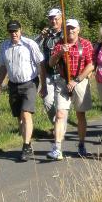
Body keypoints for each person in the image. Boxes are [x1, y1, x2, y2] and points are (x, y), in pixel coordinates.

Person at [0, 20, 45, 162]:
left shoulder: (30, 44)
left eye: (16, 31)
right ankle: (26, 142)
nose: (14, 34)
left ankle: (26, 146)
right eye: (11, 31)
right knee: (19, 117)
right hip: (13, 85)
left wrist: (44, 85)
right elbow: (3, 67)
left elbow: (40, 63)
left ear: (20, 30)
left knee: (26, 114)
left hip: (29, 83)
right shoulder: (4, 46)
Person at [47, 19, 95, 160]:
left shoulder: (86, 44)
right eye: (68, 28)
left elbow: (91, 65)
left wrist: (77, 80)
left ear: (78, 29)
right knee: (60, 114)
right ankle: (57, 147)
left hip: (80, 81)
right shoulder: (60, 44)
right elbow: (50, 63)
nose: (70, 31)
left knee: (80, 115)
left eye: (73, 28)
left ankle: (81, 144)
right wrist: (60, 53)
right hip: (62, 82)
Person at [34, 8, 63, 139]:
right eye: (51, 19)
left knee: (61, 104)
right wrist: (41, 36)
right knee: (47, 101)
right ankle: (57, 126)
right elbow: (32, 46)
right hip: (49, 74)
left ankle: (59, 130)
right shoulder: (46, 35)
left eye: (56, 18)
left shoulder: (66, 34)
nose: (54, 21)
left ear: (61, 19)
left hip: (63, 74)